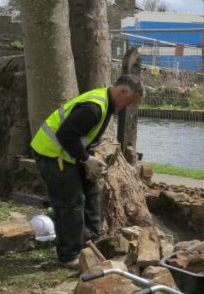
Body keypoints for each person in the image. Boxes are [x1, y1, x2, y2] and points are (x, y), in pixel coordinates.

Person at [30, 75, 144, 268]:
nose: (128, 105)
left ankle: (88, 243)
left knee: (91, 194)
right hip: (52, 154)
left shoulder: (106, 102)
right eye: (130, 100)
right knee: (71, 203)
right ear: (122, 91)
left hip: (68, 153)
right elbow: (65, 134)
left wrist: (89, 156)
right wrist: (86, 159)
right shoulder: (94, 108)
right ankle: (69, 255)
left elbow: (82, 136)